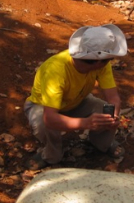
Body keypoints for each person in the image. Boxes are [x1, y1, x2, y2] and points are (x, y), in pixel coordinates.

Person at [24, 24, 127, 169]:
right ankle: (50, 155)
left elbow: (113, 98)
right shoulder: (56, 70)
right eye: (109, 59)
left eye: (107, 60)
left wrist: (114, 116)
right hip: (43, 106)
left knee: (105, 110)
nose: (104, 64)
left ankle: (102, 144)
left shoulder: (101, 64)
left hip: (77, 101)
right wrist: (85, 123)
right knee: (42, 124)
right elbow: (50, 118)